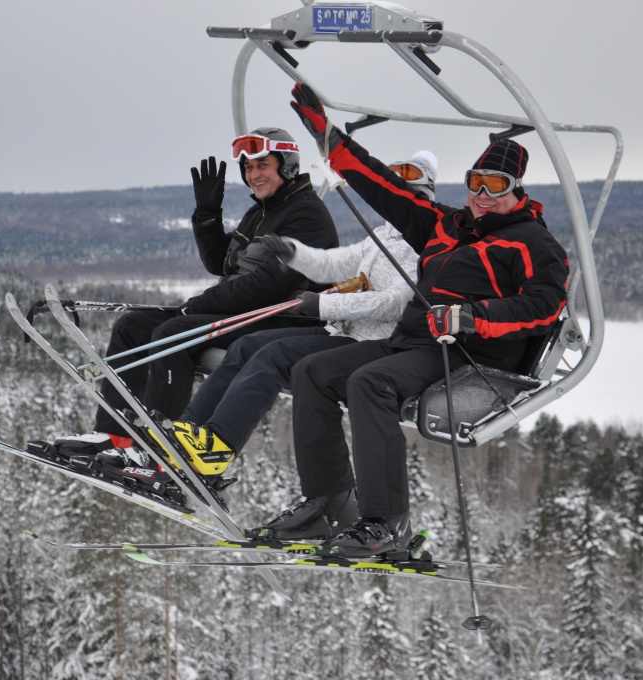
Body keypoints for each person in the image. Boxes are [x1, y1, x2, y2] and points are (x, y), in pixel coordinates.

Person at [251, 83, 569, 557]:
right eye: (475, 181)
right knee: (311, 372)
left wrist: (470, 317)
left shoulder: (533, 243)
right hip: (415, 343)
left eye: (496, 186)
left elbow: (545, 306)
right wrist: (328, 139)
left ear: (517, 191)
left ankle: (384, 523)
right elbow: (383, 187)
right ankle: (330, 504)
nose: (482, 195)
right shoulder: (444, 226)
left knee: (370, 382)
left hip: (469, 355)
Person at [166, 151, 437, 539]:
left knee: (275, 356)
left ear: (422, 189)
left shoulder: (421, 240)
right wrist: (294, 253)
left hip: (373, 340)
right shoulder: (385, 234)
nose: (394, 188)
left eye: (405, 180)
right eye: (390, 180)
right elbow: (337, 263)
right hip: (345, 329)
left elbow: (397, 301)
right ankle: (191, 432)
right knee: (250, 345)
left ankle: (217, 446)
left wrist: (323, 303)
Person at [48, 127, 339, 477]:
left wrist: (198, 305)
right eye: (248, 168)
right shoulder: (264, 211)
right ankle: (116, 435)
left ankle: (162, 447)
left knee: (174, 333)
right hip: (249, 311)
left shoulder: (306, 215)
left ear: (287, 165)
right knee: (133, 326)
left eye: (262, 165)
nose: (253, 175)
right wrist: (207, 215)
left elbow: (268, 285)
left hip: (285, 319)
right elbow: (222, 263)